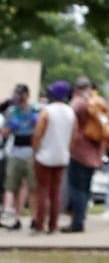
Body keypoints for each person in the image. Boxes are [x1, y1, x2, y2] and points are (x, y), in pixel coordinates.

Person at [64, 77, 109, 232]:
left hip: (78, 151)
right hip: (95, 152)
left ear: (77, 88)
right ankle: (81, 217)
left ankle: (77, 222)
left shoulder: (77, 103)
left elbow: (70, 123)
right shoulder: (100, 102)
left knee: (76, 188)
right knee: (86, 188)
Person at [30, 81, 75, 235]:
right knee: (56, 192)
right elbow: (73, 136)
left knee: (42, 191)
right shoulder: (70, 112)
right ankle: (53, 225)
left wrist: (35, 151)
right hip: (62, 155)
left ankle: (40, 225)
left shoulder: (46, 111)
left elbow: (38, 134)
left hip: (44, 155)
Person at [3, 83, 38, 230]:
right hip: (16, 150)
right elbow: (4, 132)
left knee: (32, 187)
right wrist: (11, 127)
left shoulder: (34, 110)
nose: (18, 97)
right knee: (14, 186)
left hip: (30, 151)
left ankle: (34, 218)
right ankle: (17, 218)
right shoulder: (12, 112)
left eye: (21, 94)